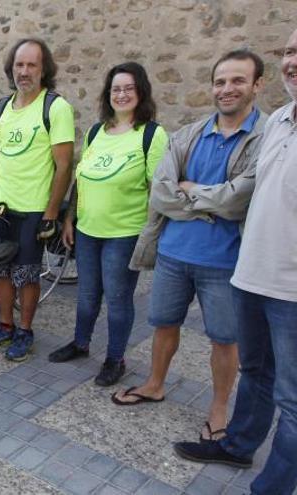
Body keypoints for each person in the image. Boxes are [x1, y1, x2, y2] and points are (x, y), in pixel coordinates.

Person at [112, 49, 267, 444]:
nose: (227, 89)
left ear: (256, 85)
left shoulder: (265, 139)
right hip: (173, 254)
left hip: (225, 262)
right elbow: (162, 193)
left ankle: (218, 409)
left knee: (223, 338)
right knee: (163, 324)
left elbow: (238, 201)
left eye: (237, 81)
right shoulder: (189, 134)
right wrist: (210, 203)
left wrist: (192, 191)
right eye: (220, 81)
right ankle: (154, 384)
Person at [173, 30, 297, 495]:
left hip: (292, 289)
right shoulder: (281, 121)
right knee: (258, 373)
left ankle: (272, 488)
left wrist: (194, 193)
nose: (292, 61)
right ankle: (239, 444)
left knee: (293, 398)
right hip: (252, 274)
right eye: (288, 51)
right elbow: (244, 194)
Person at [47, 63, 168, 386]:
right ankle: (81, 343)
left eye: (128, 88)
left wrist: (151, 236)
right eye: (116, 88)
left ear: (140, 91)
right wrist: (70, 219)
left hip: (124, 234)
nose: (122, 94)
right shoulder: (96, 132)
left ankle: (115, 359)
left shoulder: (152, 135)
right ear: (107, 94)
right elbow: (81, 180)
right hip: (87, 230)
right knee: (86, 296)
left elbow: (158, 190)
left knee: (117, 299)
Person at [0, 38, 75, 362]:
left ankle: (25, 330)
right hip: (1, 207)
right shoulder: (1, 107)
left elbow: (64, 165)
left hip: (33, 210)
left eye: (31, 65)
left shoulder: (55, 108)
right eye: (19, 64)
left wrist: (51, 213)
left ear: (44, 70)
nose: (24, 71)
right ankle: (4, 325)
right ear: (11, 68)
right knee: (0, 271)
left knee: (27, 274)